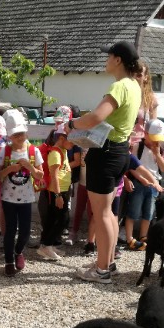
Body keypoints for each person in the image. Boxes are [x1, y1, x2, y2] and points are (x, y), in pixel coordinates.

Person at [64, 40, 141, 284]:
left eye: (109, 56)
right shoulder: (135, 85)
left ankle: (101, 270)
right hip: (120, 152)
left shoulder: (119, 86)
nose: (106, 60)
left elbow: (96, 117)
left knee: (102, 214)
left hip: (105, 153)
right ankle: (108, 263)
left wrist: (72, 124)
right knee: (110, 213)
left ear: (118, 60)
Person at [0, 109, 44, 277]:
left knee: (25, 231)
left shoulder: (34, 151)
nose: (19, 137)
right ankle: (9, 260)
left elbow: (40, 175)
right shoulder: (5, 151)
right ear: (9, 136)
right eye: (15, 135)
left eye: (22, 134)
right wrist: (10, 169)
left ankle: (18, 251)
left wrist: (30, 167)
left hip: (26, 198)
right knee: (10, 230)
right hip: (8, 198)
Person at [124, 119, 164, 251]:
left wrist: (157, 154)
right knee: (133, 211)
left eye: (158, 137)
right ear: (145, 134)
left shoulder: (160, 149)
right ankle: (129, 238)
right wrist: (141, 179)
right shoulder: (137, 147)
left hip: (154, 186)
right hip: (138, 183)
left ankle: (143, 236)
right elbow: (132, 166)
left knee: (148, 214)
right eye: (153, 137)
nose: (156, 140)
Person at [38, 125, 73, 261]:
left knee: (54, 219)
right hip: (57, 192)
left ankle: (48, 245)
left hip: (63, 190)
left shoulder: (63, 150)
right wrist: (58, 196)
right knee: (62, 219)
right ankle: (47, 246)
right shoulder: (55, 154)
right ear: (62, 138)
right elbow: (54, 176)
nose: (73, 144)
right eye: (72, 140)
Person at [128, 60, 159, 155]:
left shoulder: (150, 99)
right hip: (123, 144)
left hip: (141, 146)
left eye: (139, 75)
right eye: (132, 74)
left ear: (146, 77)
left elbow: (154, 126)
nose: (134, 78)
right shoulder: (124, 94)